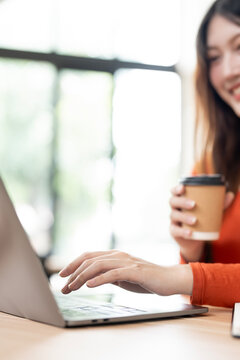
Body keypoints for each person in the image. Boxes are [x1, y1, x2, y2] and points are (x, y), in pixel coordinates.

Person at [59, 0, 240, 308]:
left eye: (239, 47)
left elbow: (188, 282)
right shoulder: (211, 168)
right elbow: (204, 296)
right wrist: (191, 251)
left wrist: (169, 277)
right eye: (214, 58)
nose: (228, 71)